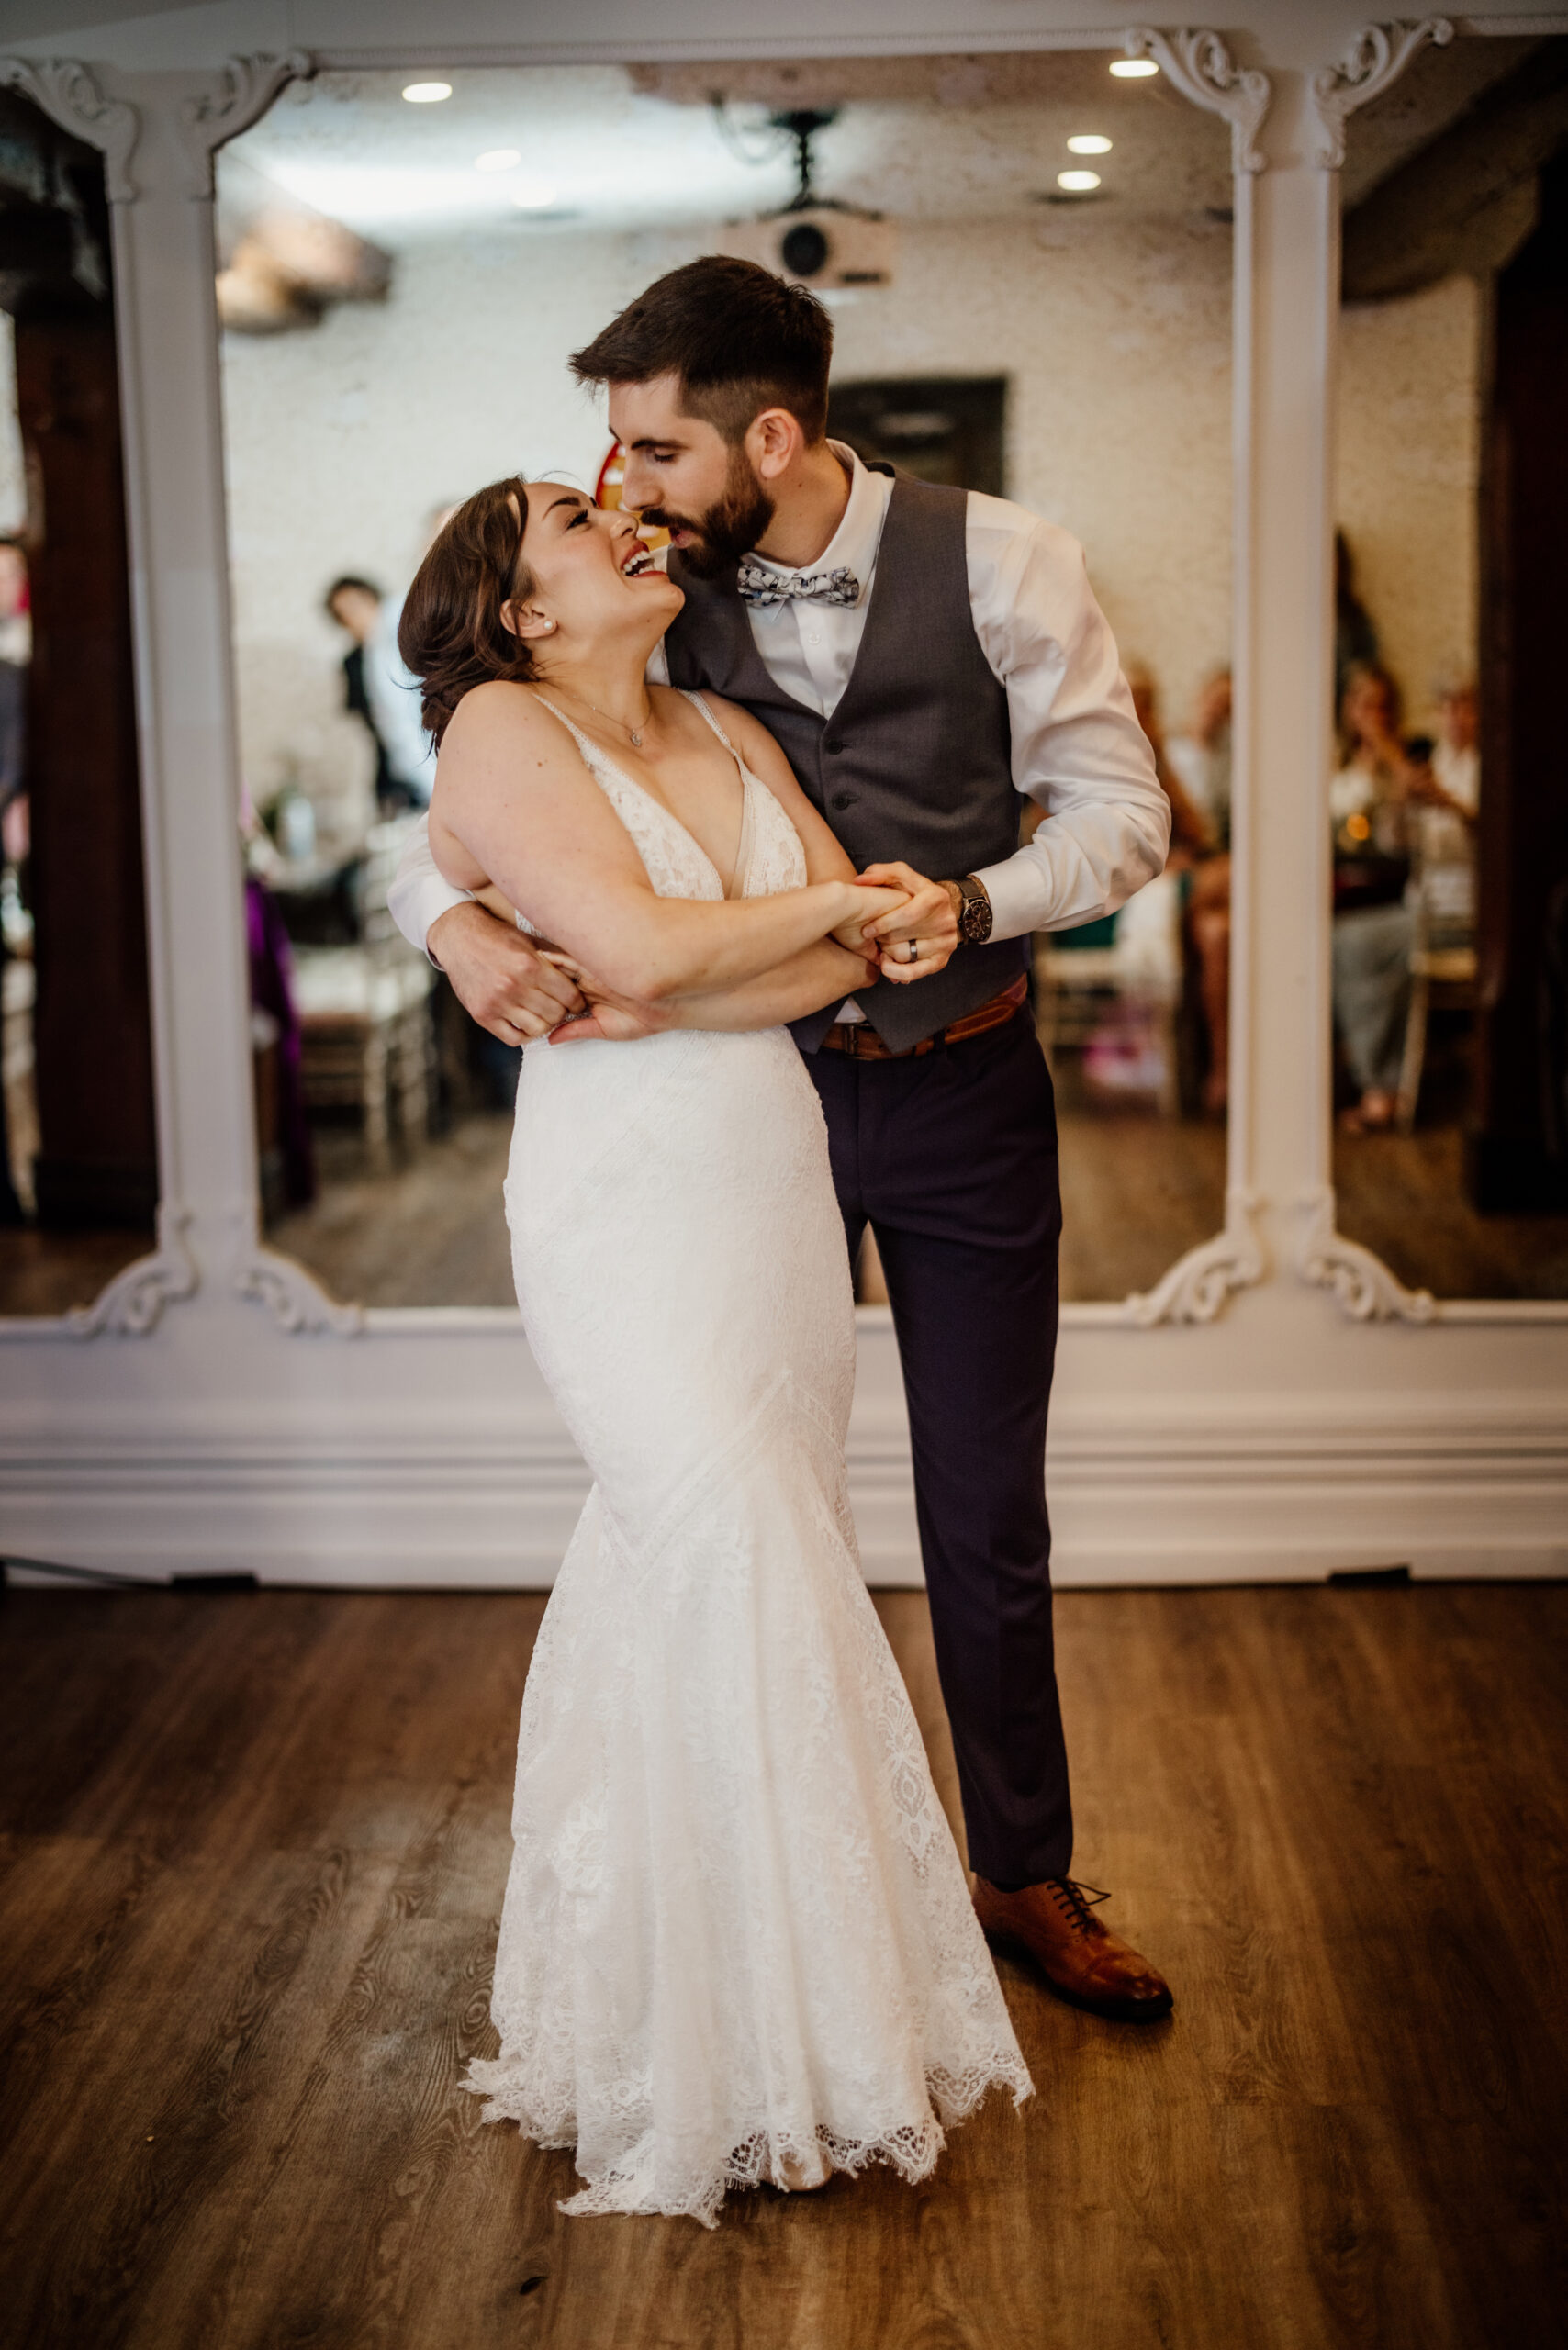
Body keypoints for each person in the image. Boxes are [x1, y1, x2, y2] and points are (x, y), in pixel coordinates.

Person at [389, 259, 1174, 2030]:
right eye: (610, 462)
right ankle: (778, 1909)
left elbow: (1123, 819)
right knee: (746, 1497)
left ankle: (1019, 1870)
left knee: (985, 1506)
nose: (621, 494)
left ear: (765, 434)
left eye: (652, 455)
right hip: (743, 1117)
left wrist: (972, 905)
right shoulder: (644, 592)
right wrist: (454, 929)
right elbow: (462, 783)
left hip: (961, 1082)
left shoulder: (1004, 559)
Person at [407, 474, 1033, 2222]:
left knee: (756, 1556)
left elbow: (819, 968)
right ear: (518, 607)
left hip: (765, 1175)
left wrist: (685, 968)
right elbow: (640, 943)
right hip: (625, 1200)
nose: (622, 514)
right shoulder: (502, 732)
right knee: (720, 1535)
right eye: (561, 514)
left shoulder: (723, 721)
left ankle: (769, 2031)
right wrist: (699, 947)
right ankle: (708, 2051)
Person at [1331, 662, 1431, 1131]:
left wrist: (1388, 752)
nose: (1370, 714)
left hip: (1392, 892)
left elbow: (1403, 839)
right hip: (1343, 888)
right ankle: (1349, 1072)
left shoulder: (1411, 761)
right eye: (1361, 704)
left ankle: (1378, 1083)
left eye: (1380, 705)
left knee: (1355, 943)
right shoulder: (1336, 767)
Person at [324, 570, 434, 811]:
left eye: (354, 607)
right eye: (344, 616)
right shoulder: (363, 657)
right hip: (406, 768)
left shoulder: (402, 621)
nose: (353, 619)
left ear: (370, 597)